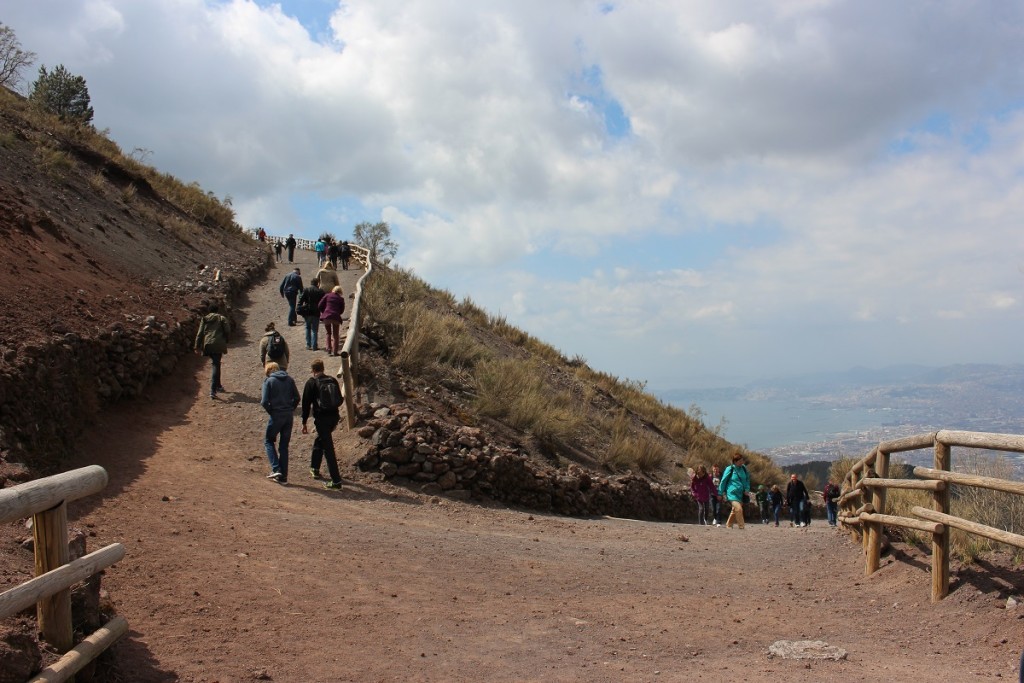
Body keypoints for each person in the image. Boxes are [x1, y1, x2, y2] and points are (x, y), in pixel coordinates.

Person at [301, 358, 344, 489]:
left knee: (328, 449)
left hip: (322, 419)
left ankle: (336, 481)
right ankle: (314, 467)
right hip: (334, 417)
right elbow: (340, 399)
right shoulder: (332, 380)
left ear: (313, 370)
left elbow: (306, 404)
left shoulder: (311, 383)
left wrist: (304, 422)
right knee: (320, 439)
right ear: (323, 368)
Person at [260, 362, 299, 484]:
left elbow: (264, 401)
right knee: (284, 445)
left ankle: (276, 468)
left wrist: (272, 411)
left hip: (276, 415)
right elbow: (297, 397)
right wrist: (290, 408)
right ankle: (283, 476)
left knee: (268, 440)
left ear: (268, 371)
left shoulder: (269, 381)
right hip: (288, 416)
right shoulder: (289, 379)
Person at [193, 303, 230, 399]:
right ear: (217, 310)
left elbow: (200, 333)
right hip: (218, 344)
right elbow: (227, 330)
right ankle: (213, 390)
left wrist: (197, 346)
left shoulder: (204, 319)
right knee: (216, 365)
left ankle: (218, 385)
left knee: (216, 363)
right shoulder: (221, 318)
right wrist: (225, 339)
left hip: (208, 344)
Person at [719, 452, 751, 529]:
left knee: (735, 510)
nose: (742, 462)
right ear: (735, 461)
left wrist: (747, 489)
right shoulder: (729, 469)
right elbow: (723, 481)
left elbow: (747, 479)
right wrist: (720, 493)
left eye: (742, 460)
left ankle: (729, 525)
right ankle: (741, 526)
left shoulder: (744, 468)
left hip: (741, 494)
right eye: (740, 461)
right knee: (739, 509)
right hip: (732, 493)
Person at [297, 277, 326, 350]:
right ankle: (314, 346)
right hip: (316, 312)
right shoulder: (320, 291)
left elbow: (300, 300)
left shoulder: (306, 290)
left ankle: (308, 344)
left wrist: (300, 308)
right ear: (318, 283)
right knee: (315, 329)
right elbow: (324, 302)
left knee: (307, 327)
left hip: (307, 311)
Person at [318, 285, 346, 356]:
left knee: (328, 333)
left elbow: (320, 305)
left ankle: (329, 349)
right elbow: (342, 310)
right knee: (336, 335)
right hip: (336, 317)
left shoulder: (327, 295)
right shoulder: (341, 299)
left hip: (327, 316)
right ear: (340, 292)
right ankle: (335, 351)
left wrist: (324, 312)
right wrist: (337, 312)